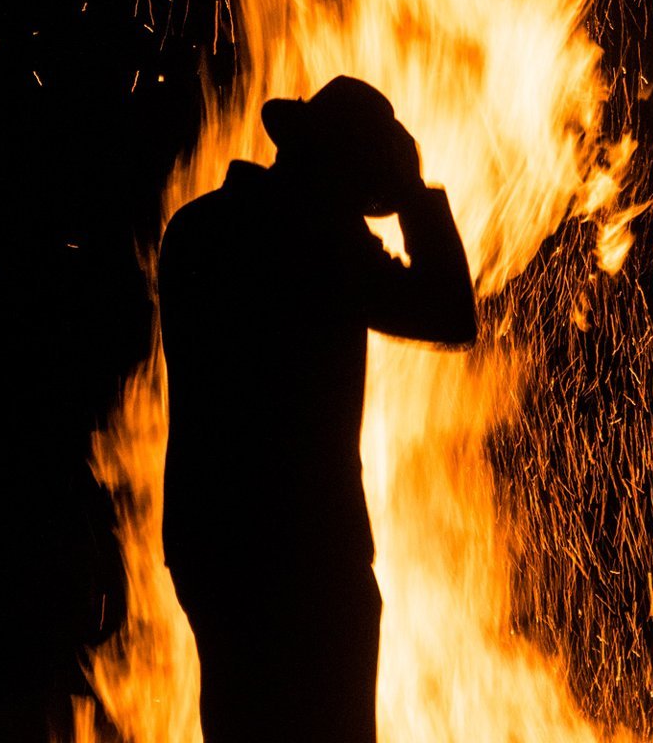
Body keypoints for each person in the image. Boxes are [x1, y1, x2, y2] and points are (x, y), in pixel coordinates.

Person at [156, 76, 477, 742]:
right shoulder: (317, 240)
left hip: (209, 542)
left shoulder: (196, 226)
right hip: (308, 553)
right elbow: (448, 312)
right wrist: (414, 193)